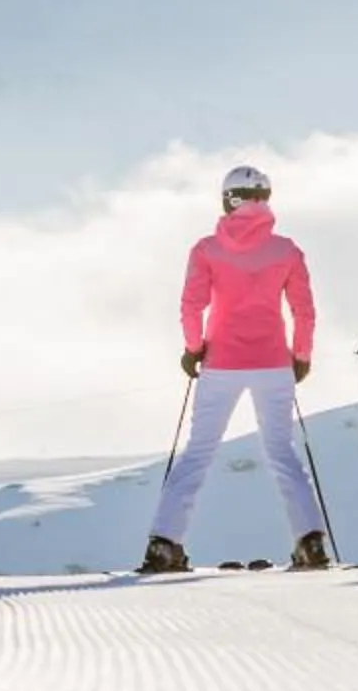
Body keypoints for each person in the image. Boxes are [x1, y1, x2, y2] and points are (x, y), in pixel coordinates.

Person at [139, 165, 330, 573]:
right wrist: (302, 355)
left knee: (198, 454)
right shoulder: (286, 251)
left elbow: (192, 305)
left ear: (229, 200)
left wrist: (193, 350)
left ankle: (164, 544)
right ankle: (310, 542)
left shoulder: (207, 249)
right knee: (282, 451)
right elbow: (304, 311)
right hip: (273, 363)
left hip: (221, 362)